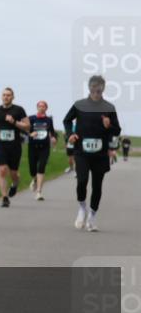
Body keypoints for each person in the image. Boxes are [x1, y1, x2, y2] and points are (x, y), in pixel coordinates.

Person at [63, 75, 121, 232]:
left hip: (100, 153)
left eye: (99, 88)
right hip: (82, 151)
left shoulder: (109, 108)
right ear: (89, 88)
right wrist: (70, 134)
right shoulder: (79, 105)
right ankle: (82, 207)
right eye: (94, 87)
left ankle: (92, 216)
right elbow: (67, 120)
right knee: (81, 181)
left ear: (103, 89)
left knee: (97, 185)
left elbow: (117, 130)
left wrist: (109, 126)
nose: (96, 90)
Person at [0, 88, 29, 207]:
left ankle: (15, 184)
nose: (6, 97)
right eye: (4, 95)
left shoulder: (19, 110)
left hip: (15, 146)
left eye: (8, 95)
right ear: (1, 97)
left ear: (13, 97)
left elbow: (27, 126)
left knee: (13, 173)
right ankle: (4, 197)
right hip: (1, 145)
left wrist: (14, 122)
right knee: (2, 170)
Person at [27, 100, 57, 200]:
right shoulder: (31, 118)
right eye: (39, 106)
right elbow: (25, 130)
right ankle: (34, 179)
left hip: (44, 147)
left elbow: (52, 131)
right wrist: (30, 134)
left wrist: (53, 137)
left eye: (43, 106)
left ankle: (39, 192)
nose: (41, 108)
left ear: (46, 108)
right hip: (32, 147)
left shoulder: (49, 120)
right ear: (37, 107)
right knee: (32, 170)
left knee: (41, 167)